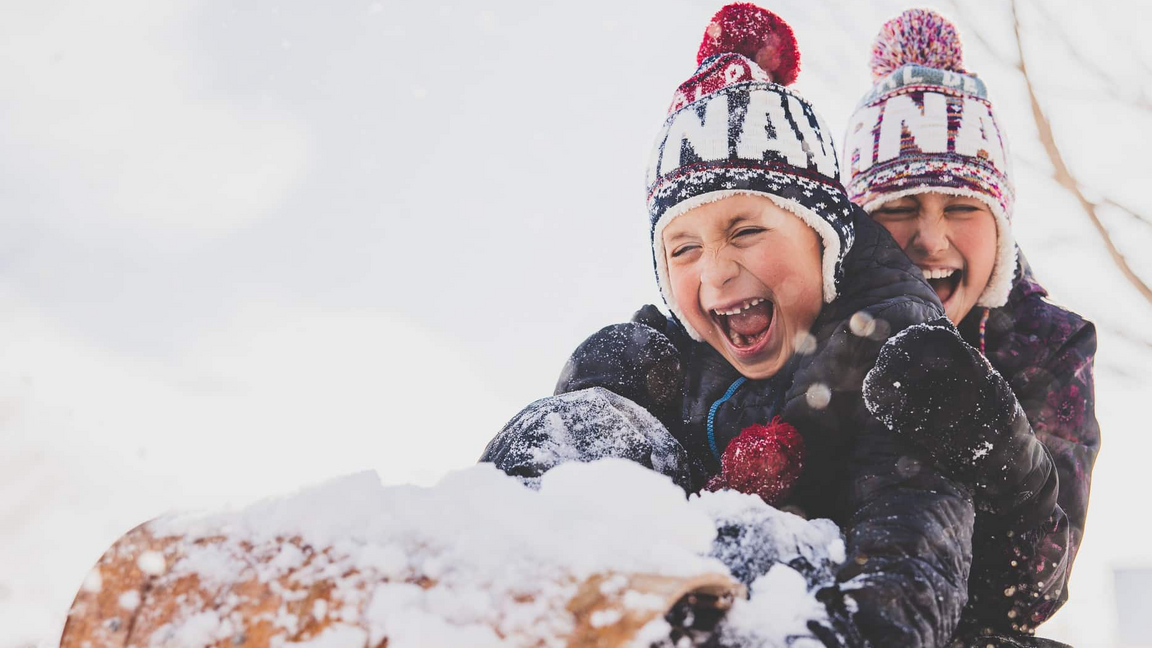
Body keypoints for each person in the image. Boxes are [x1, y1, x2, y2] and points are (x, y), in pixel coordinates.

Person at [483, 5, 977, 646]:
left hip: (799, 608)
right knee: (596, 400)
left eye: (746, 231)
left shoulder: (899, 355)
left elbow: (911, 557)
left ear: (824, 240)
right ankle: (491, 581)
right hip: (651, 592)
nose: (715, 275)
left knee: (746, 536)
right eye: (683, 249)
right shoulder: (659, 360)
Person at [842, 9, 1100, 644]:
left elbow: (1031, 595)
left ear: (1000, 227)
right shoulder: (813, 327)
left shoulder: (1045, 345)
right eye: (899, 207)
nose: (931, 238)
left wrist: (1008, 462)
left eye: (960, 207)